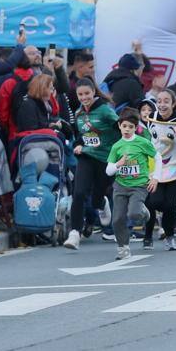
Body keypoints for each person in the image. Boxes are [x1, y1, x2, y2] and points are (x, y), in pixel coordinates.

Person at [64, 78, 119, 251]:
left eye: (87, 93)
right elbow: (81, 136)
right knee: (78, 193)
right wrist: (78, 145)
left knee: (96, 199)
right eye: (80, 94)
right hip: (87, 157)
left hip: (105, 159)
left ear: (93, 92)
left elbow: (121, 129)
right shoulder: (79, 113)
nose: (84, 97)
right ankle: (74, 233)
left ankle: (102, 203)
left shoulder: (105, 111)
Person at [105, 109, 158, 260]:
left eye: (130, 127)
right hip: (120, 185)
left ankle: (144, 212)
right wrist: (118, 164)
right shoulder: (116, 146)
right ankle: (123, 248)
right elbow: (108, 170)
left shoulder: (143, 143)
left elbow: (158, 157)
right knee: (117, 219)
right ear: (119, 126)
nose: (127, 129)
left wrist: (155, 178)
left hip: (139, 185)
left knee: (134, 214)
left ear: (135, 128)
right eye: (124, 126)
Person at [142, 90, 176, 251]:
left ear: (173, 103)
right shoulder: (151, 118)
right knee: (153, 202)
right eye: (159, 101)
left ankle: (169, 236)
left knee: (169, 205)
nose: (162, 104)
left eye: (166, 101)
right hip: (156, 166)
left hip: (175, 167)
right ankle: (148, 235)